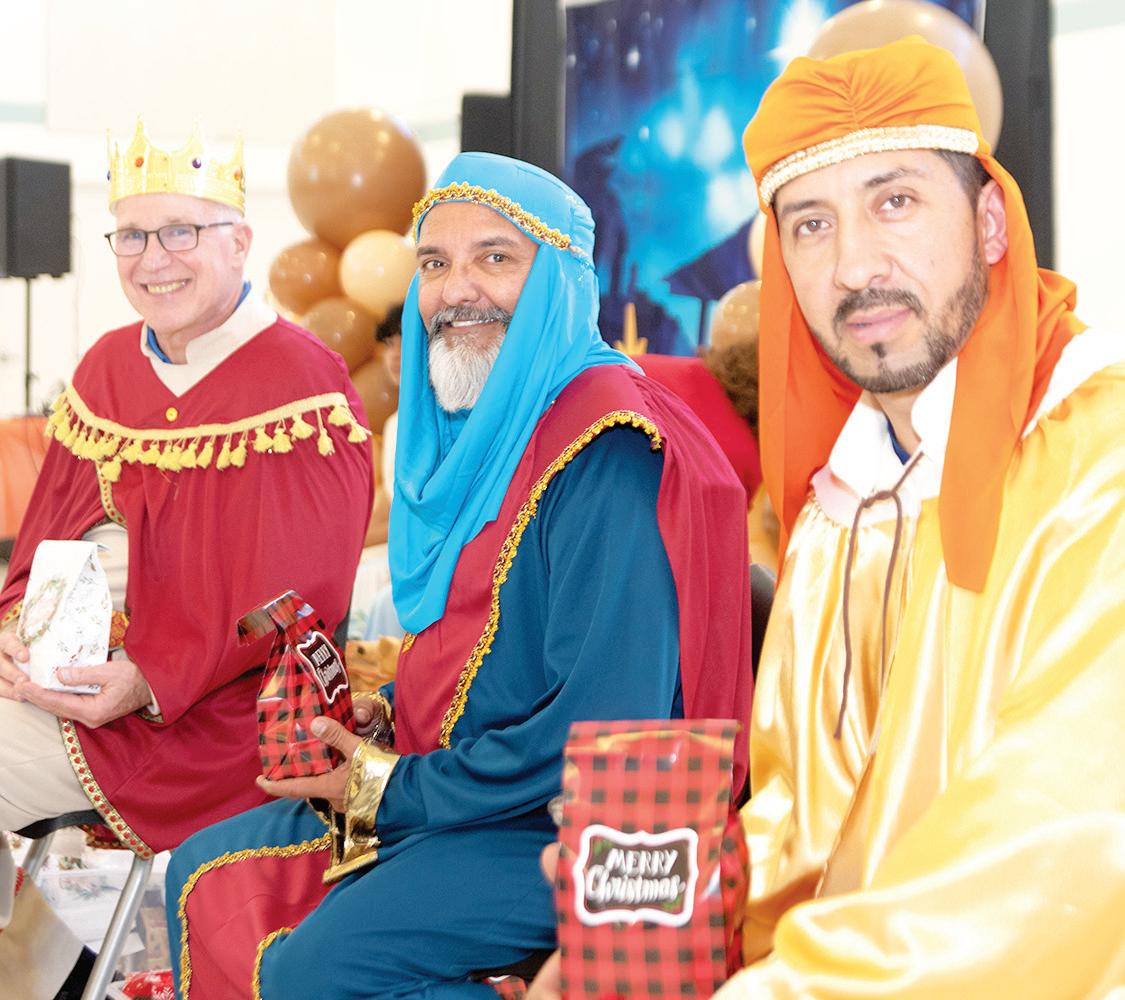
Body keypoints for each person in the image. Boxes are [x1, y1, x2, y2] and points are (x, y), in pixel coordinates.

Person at [165, 152, 754, 999]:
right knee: (202, 870)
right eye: (435, 263)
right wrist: (387, 717)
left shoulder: (606, 448)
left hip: (571, 823)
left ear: (559, 281)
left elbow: (603, 724)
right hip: (476, 790)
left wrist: (389, 786)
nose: (454, 290)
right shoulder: (503, 425)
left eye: (495, 257)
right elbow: (492, 643)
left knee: (314, 971)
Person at [706, 37, 1124, 996]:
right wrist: (652, 908)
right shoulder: (841, 506)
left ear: (988, 222)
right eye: (811, 224)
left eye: (893, 201)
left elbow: (1062, 849)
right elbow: (801, 821)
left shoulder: (1098, 459)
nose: (854, 266)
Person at [0, 120, 373, 999]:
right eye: (131, 235)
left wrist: (149, 677)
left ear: (240, 241)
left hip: (218, 717)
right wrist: (18, 628)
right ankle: (35, 968)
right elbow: (48, 532)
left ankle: (33, 970)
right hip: (81, 683)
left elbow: (296, 599)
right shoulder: (107, 367)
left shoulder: (301, 386)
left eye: (181, 232)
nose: (152, 259)